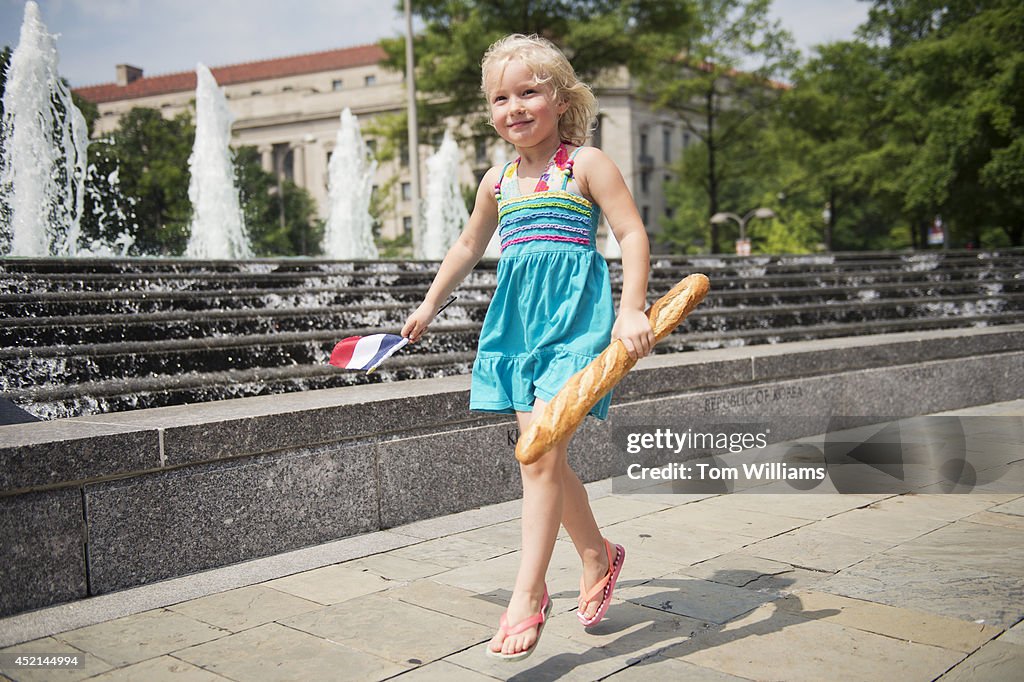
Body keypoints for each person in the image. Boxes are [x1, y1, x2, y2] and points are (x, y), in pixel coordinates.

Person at [401, 33, 655, 661]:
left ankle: (528, 593)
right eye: (499, 98)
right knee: (541, 458)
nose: (513, 107)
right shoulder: (498, 180)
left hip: (577, 326)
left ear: (561, 99)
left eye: (528, 92)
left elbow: (630, 232)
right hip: (517, 329)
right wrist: (430, 304)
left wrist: (630, 310)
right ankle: (597, 554)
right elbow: (465, 248)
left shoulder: (586, 164)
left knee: (538, 455)